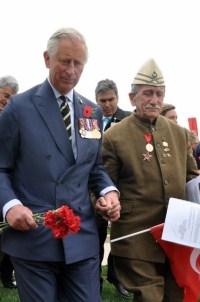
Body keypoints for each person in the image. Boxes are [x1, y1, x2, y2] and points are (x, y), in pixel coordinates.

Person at [0, 27, 121, 302]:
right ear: (47, 58)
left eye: (78, 63)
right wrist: (10, 206)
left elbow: (95, 168)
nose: (71, 70)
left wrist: (108, 193)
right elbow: (1, 168)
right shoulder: (19, 109)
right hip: (34, 237)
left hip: (81, 237)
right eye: (65, 61)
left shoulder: (92, 112)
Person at [102, 58, 200, 301]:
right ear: (132, 97)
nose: (155, 100)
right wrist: (104, 202)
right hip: (135, 236)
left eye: (159, 93)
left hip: (176, 235)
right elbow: (102, 183)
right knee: (150, 297)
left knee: (176, 296)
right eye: (148, 93)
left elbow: (191, 176)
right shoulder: (114, 136)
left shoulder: (179, 133)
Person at [94, 78, 131, 298]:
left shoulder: (128, 120)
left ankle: (118, 278)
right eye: (102, 101)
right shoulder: (89, 118)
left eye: (110, 100)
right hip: (95, 188)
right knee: (96, 237)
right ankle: (93, 278)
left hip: (122, 187)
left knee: (120, 237)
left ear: (117, 97)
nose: (106, 104)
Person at [0, 75, 19, 289]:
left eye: (11, 98)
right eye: (5, 95)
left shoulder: (11, 117)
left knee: (7, 233)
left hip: (6, 185)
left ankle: (7, 277)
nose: (6, 101)